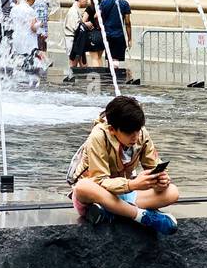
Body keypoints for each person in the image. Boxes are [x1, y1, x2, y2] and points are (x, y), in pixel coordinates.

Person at [70, 95, 179, 234]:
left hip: (122, 196)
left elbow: (153, 167)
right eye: (128, 132)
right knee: (82, 187)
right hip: (96, 195)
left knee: (172, 192)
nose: (135, 136)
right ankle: (142, 216)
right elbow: (99, 181)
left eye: (137, 130)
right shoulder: (98, 136)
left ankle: (110, 212)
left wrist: (161, 181)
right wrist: (132, 185)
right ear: (112, 129)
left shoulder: (141, 133)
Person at [99, 0, 132, 81]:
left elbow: (99, 17)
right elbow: (127, 22)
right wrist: (129, 38)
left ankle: (110, 78)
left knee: (109, 57)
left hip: (107, 34)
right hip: (119, 35)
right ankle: (115, 77)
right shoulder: (124, 3)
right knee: (116, 58)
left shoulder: (104, 2)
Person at [63, 0, 91, 75]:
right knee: (73, 64)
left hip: (77, 40)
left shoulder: (76, 10)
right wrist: (86, 24)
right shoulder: (73, 11)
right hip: (73, 41)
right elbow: (75, 27)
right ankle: (71, 83)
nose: (87, 1)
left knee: (82, 64)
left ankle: (77, 83)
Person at [11, 0, 39, 68]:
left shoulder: (15, 9)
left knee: (20, 64)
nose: (34, 1)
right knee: (29, 66)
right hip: (28, 42)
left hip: (17, 39)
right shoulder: (31, 11)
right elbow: (33, 28)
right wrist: (39, 24)